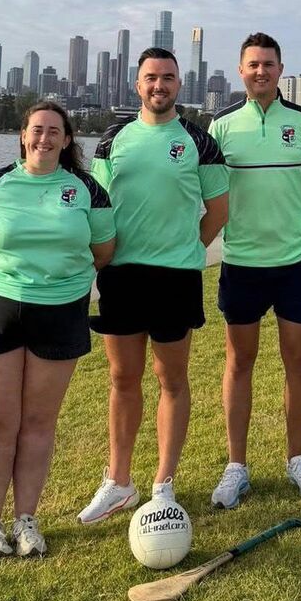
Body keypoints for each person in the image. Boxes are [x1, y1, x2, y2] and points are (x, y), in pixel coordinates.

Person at [0, 102, 115, 560]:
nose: (44, 138)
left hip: (60, 311)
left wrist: (58, 279)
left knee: (39, 422)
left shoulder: (87, 189)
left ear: (67, 140)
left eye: (54, 131)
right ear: (23, 136)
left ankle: (26, 519)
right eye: (36, 130)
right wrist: (10, 278)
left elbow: (103, 250)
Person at [78, 48, 229, 523]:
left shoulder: (200, 142)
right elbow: (96, 207)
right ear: (137, 84)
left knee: (172, 379)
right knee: (123, 379)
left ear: (178, 84)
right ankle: (119, 482)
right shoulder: (113, 139)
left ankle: (164, 483)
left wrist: (186, 250)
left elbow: (218, 210)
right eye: (150, 77)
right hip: (121, 275)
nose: (158, 85)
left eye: (167, 77)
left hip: (176, 278)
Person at [206, 33, 301, 508]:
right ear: (241, 70)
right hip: (241, 263)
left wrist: (294, 221)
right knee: (239, 362)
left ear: (281, 70)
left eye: (269, 64)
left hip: (296, 263)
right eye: (253, 64)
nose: (261, 71)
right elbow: (212, 190)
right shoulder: (221, 126)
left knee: (298, 361)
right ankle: (236, 466)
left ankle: (296, 459)